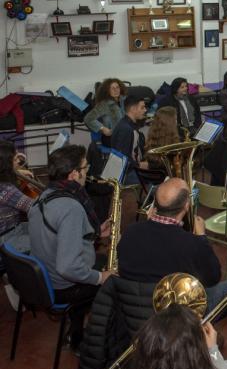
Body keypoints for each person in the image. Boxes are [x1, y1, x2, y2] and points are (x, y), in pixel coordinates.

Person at [117, 178, 227, 369]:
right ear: (186, 206)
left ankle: (201, 338)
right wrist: (201, 238)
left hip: (138, 311)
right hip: (178, 316)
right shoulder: (189, 243)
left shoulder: (130, 232)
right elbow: (212, 278)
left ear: (154, 205)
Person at [28, 145, 115, 351]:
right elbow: (68, 268)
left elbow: (56, 234)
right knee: (115, 280)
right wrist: (102, 278)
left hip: (43, 278)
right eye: (86, 168)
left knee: (102, 263)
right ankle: (93, 341)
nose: (88, 172)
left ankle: (75, 331)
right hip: (63, 286)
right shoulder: (71, 207)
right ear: (74, 174)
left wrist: (94, 233)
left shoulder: (44, 196)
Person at [0, 141, 35, 254]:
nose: (19, 161)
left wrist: (16, 171)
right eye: (15, 159)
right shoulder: (7, 190)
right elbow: (35, 207)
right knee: (49, 240)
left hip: (13, 229)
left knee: (41, 229)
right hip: (6, 239)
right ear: (6, 164)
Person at [111, 96, 148, 185]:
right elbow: (121, 158)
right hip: (126, 173)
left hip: (132, 168)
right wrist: (139, 165)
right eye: (142, 107)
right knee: (158, 182)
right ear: (133, 109)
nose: (145, 110)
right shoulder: (126, 129)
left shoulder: (130, 125)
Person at [84, 78, 126, 146]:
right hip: (112, 138)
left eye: (117, 87)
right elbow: (88, 119)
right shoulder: (104, 104)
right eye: (112, 88)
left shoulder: (123, 100)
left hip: (123, 134)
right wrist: (102, 128)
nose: (116, 90)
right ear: (107, 91)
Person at [144, 106, 180, 170]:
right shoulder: (173, 148)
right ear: (170, 124)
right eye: (175, 120)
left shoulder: (151, 140)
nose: (176, 122)